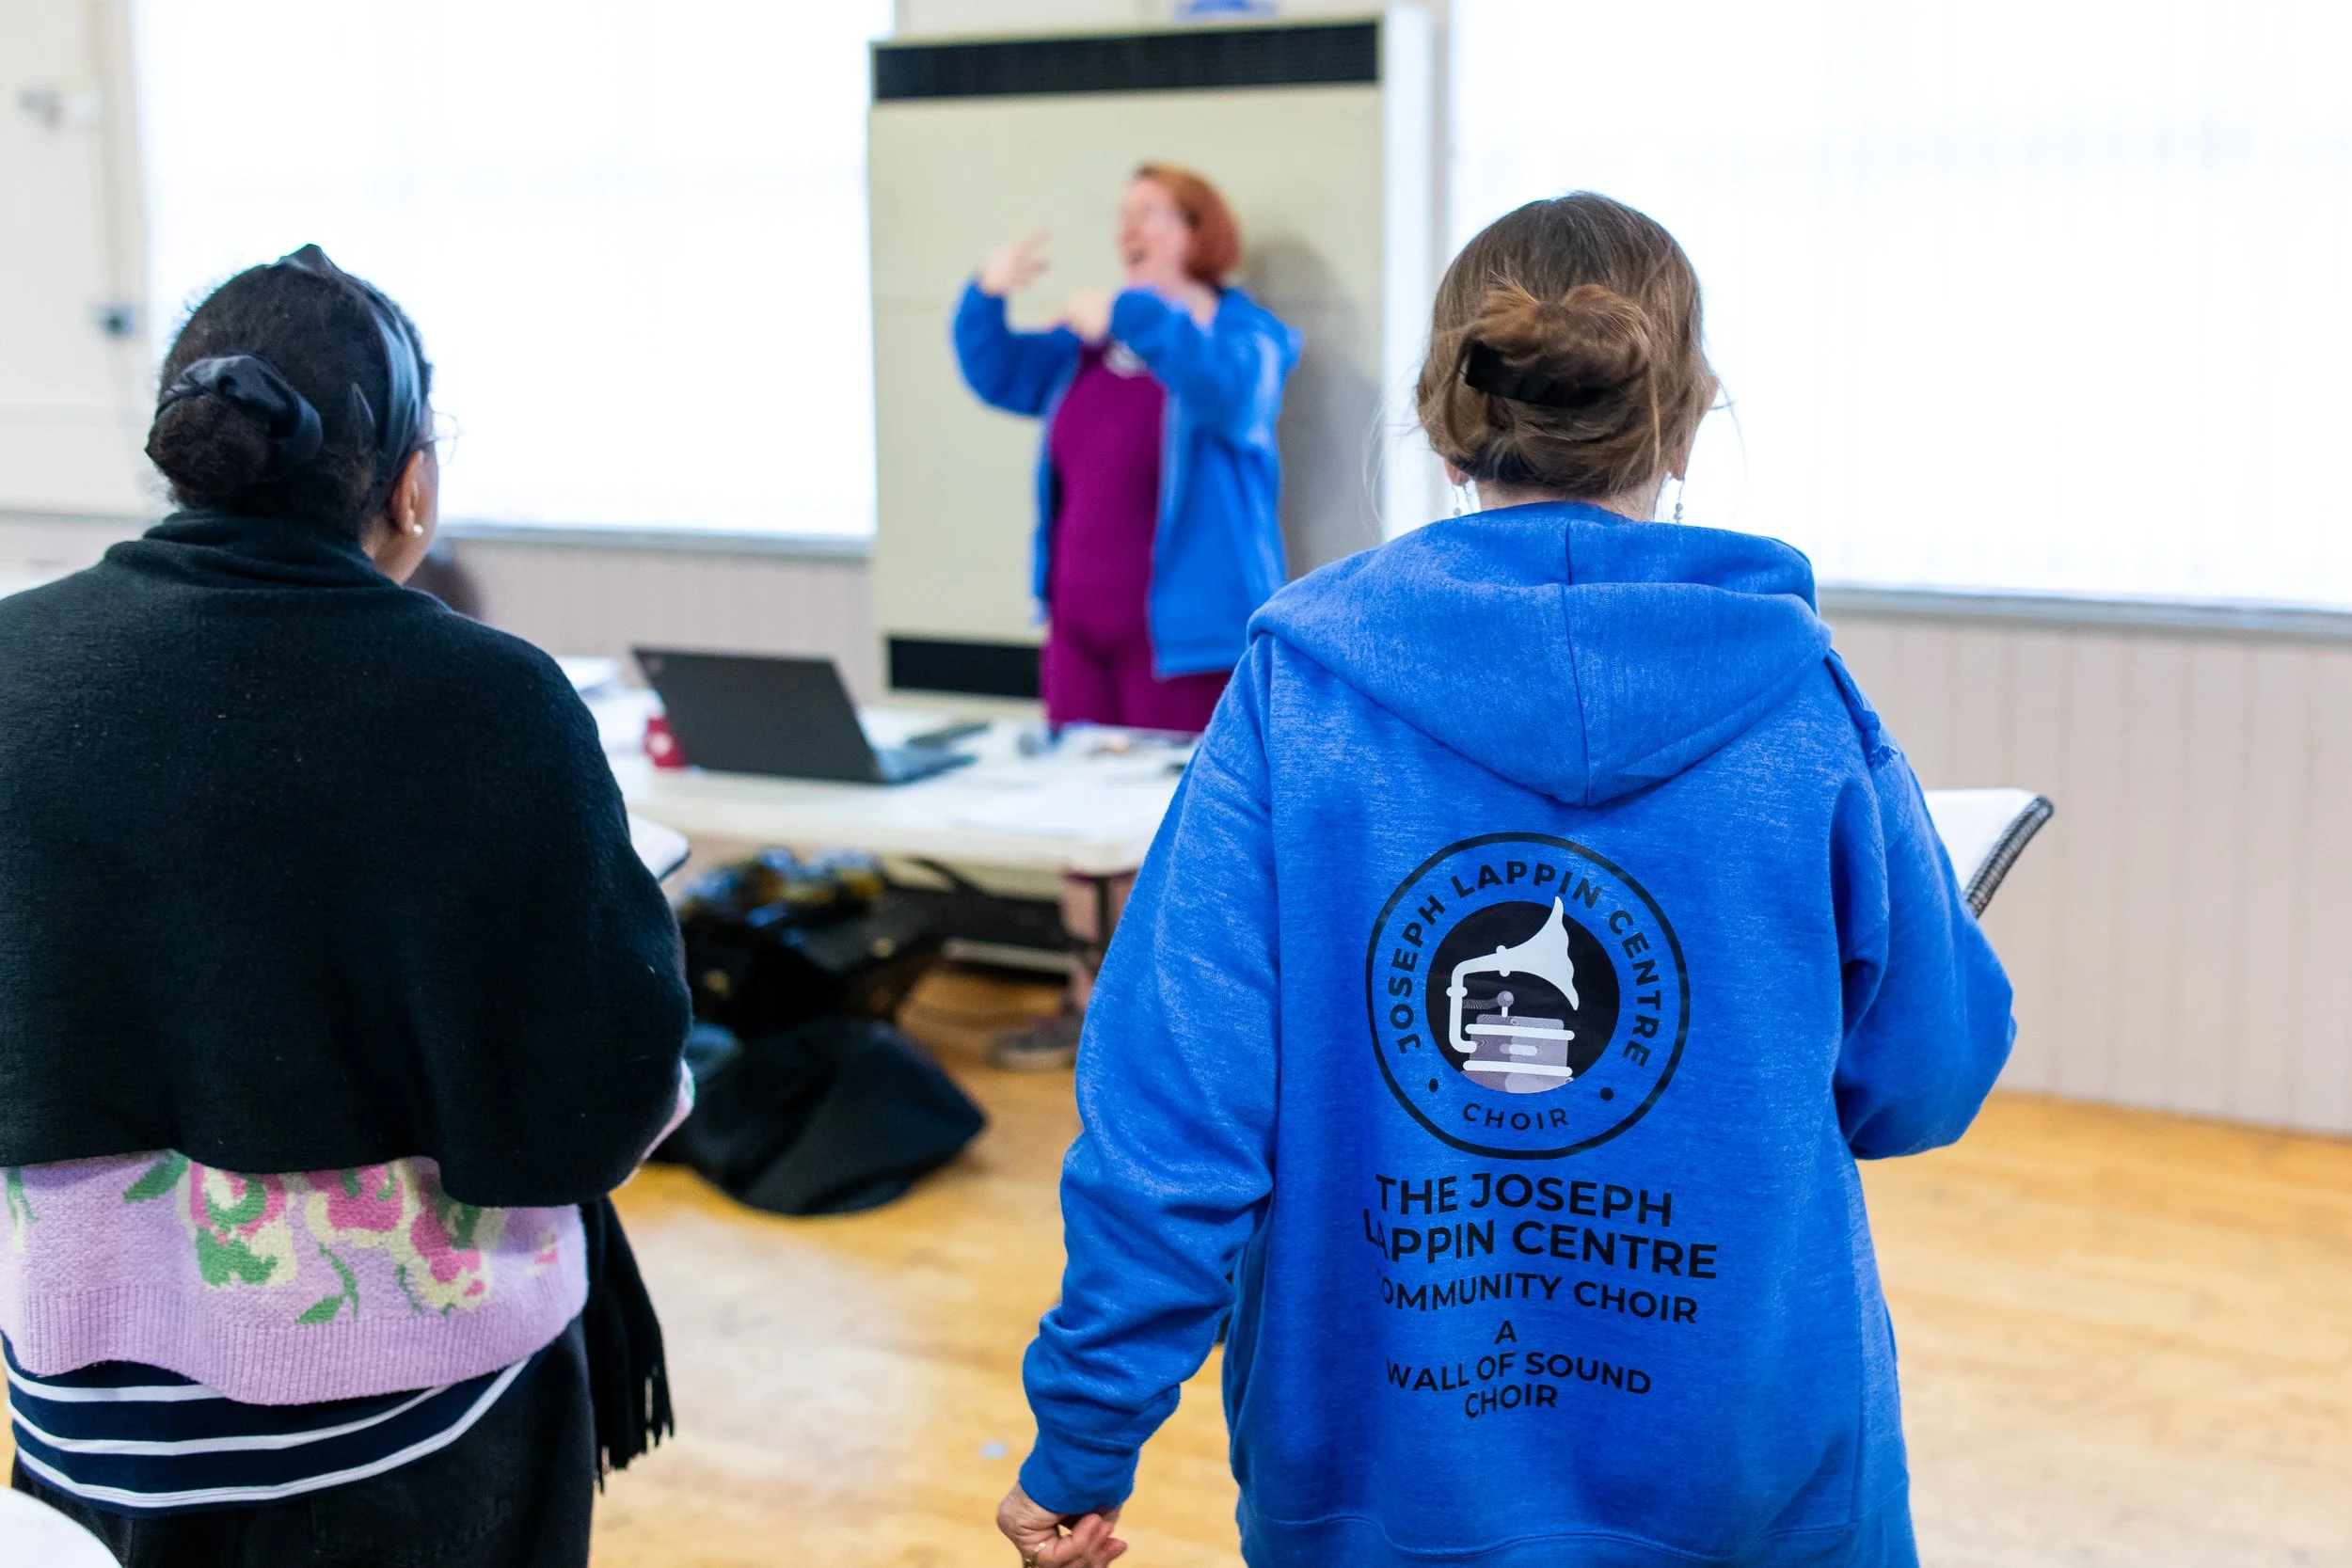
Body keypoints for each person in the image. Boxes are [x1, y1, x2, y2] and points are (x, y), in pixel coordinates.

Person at [995, 192, 2015, 1568]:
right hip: (1752, 1486)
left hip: (1379, 1489)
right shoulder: (1804, 709)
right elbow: (1925, 1080)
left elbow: (1175, 1119)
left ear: (1443, 410)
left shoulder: (1298, 696)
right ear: (1687, 412)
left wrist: (1083, 1440)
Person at [0, 247, 692, 1568]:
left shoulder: (12, 664)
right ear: (411, 482)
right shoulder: (491, 702)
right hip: (418, 1422)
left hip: (85, 1414)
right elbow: (607, 1082)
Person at [955, 166, 1300, 1073]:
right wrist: (987, 295)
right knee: (1079, 819)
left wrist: (1136, 315)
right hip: (1080, 627)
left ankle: (1171, 1027)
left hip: (1185, 637)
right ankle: (1082, 1006)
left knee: (1176, 828)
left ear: (1200, 231)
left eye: (1150, 213)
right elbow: (997, 374)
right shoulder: (1086, 348)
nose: (1129, 229)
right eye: (1124, 215)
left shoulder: (1246, 336)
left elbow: (1233, 398)